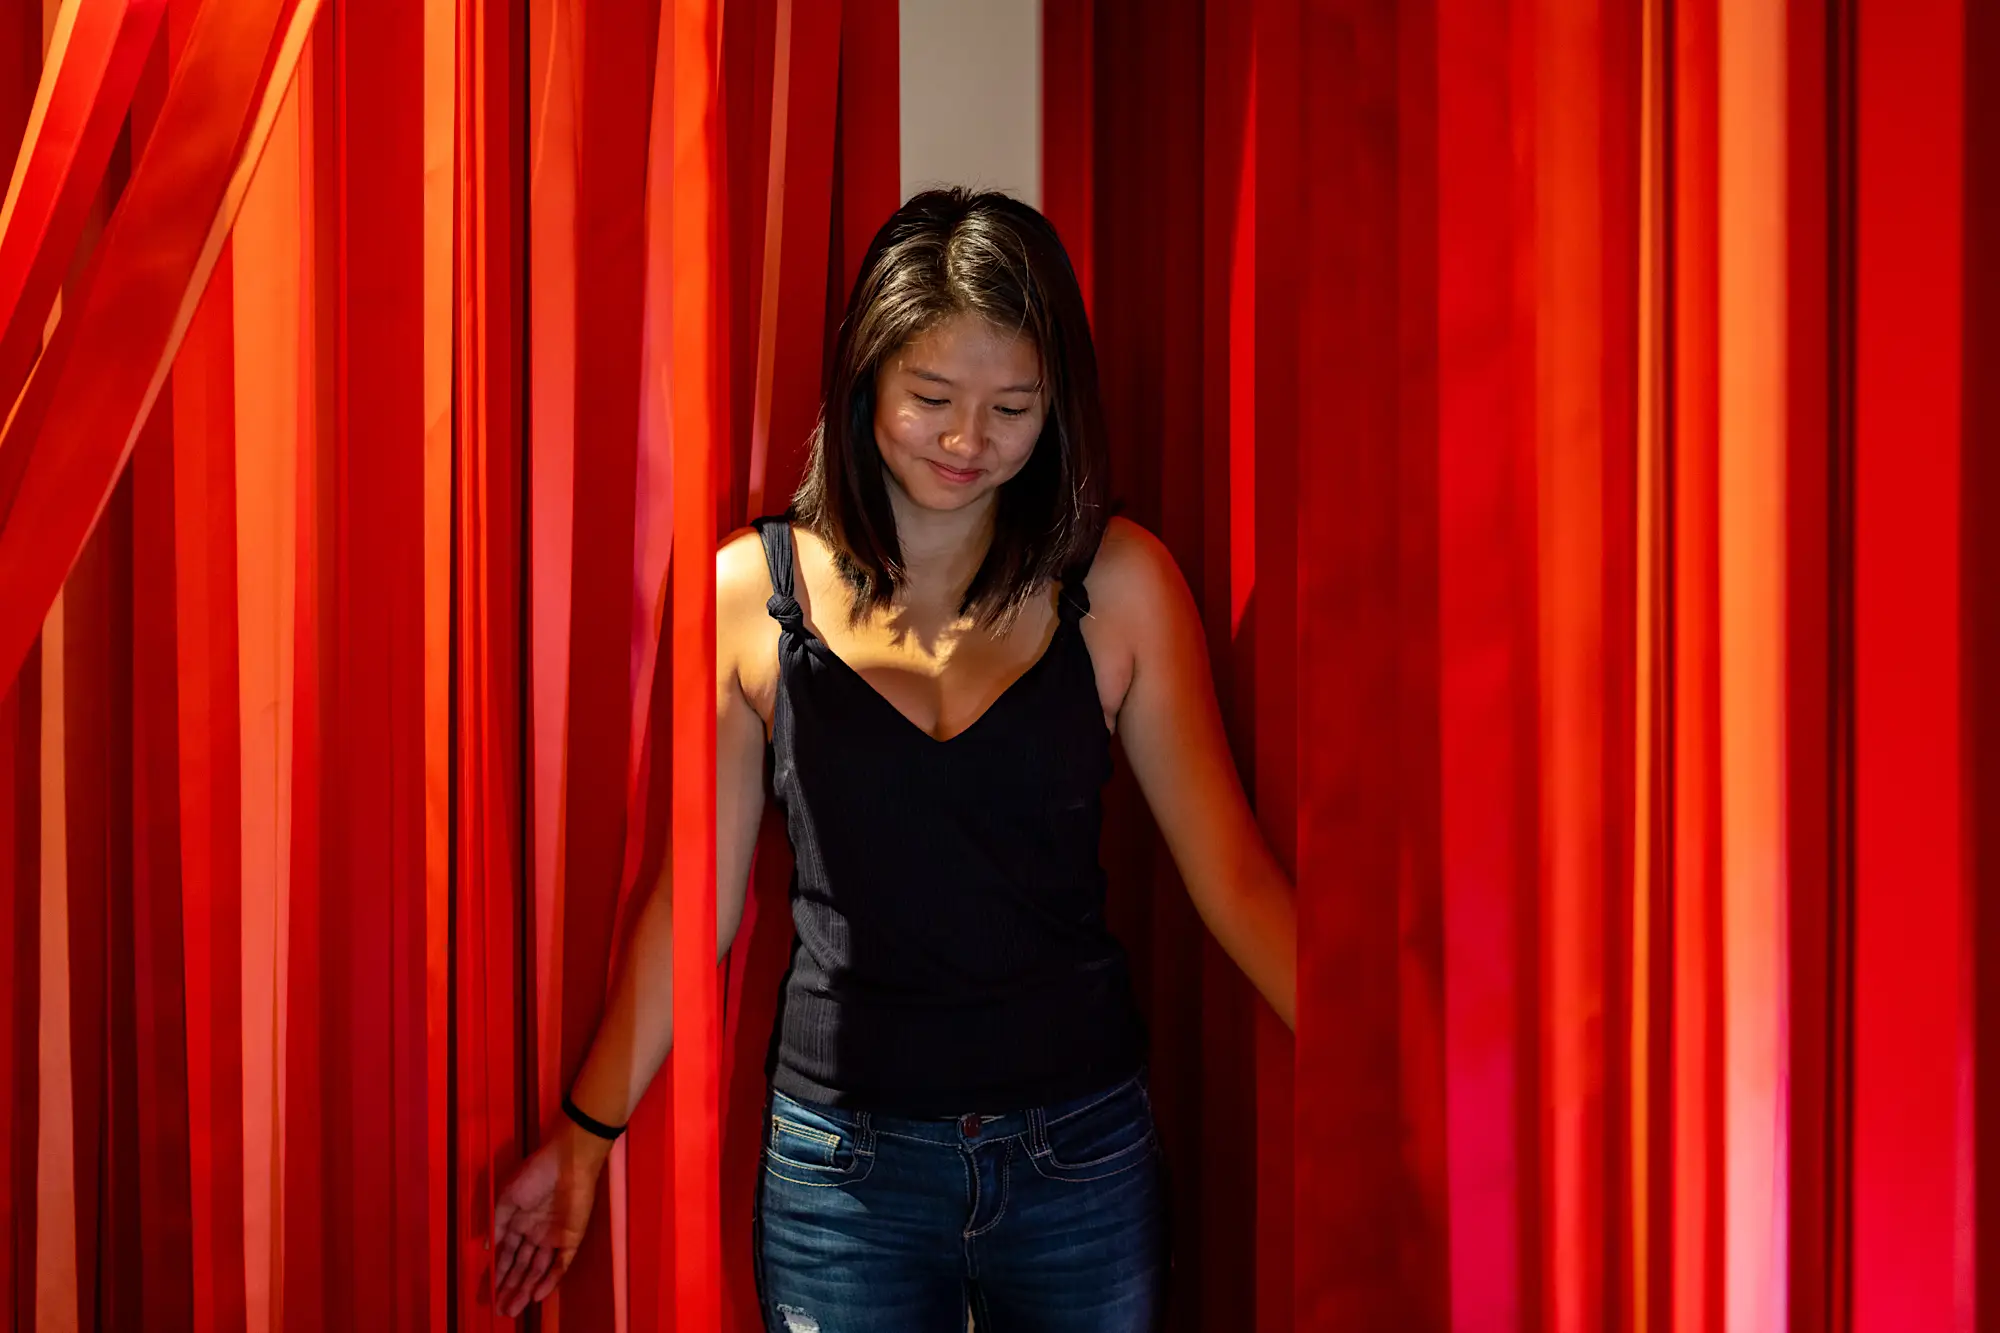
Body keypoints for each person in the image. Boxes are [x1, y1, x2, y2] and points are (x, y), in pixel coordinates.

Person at [491, 188, 1297, 1331]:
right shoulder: (745, 598)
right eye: (930, 398)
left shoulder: (1118, 585)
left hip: (1080, 1152)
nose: (967, 442)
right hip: (841, 1175)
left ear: (1054, 406)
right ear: (865, 373)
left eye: (1010, 407)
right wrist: (581, 1139)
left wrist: (1392, 1074)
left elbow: (1236, 881)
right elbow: (697, 904)